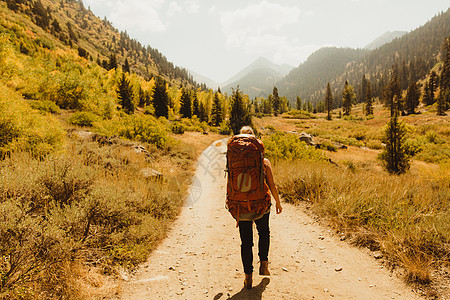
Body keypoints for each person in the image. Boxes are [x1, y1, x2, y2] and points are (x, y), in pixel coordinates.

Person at [230, 126, 283, 289]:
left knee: (246, 242)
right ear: (254, 142)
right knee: (264, 232)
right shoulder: (263, 161)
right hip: (261, 205)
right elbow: (272, 184)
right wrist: (278, 202)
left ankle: (248, 277)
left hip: (241, 206)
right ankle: (264, 264)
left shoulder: (233, 161)